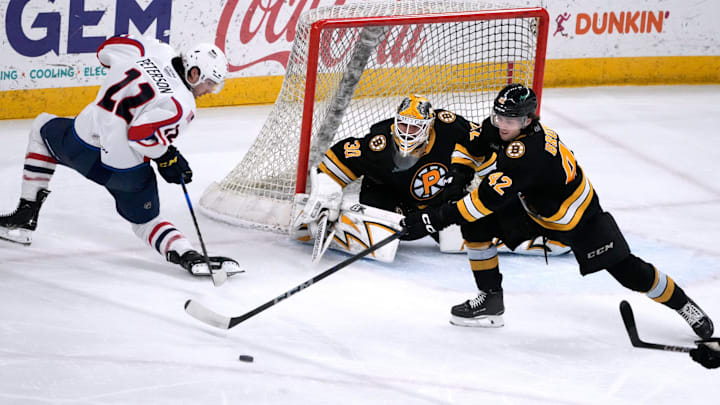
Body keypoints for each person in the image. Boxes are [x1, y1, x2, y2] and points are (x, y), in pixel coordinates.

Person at [401, 83, 714, 338]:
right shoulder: (503, 129)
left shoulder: (529, 153)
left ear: (527, 120)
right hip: (534, 207)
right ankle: (491, 300)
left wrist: (433, 218)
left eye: (509, 120)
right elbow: (472, 144)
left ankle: (684, 304)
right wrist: (459, 175)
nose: (501, 124)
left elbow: (485, 201)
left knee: (628, 271)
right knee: (476, 227)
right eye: (498, 117)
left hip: (578, 218)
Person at [0, 35, 239, 277]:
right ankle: (187, 254)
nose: (209, 90)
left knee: (43, 126)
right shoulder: (182, 105)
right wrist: (168, 157)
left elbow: (105, 51)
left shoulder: (152, 49)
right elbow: (140, 137)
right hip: (125, 175)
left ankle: (26, 213)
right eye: (209, 83)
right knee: (146, 222)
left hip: (79, 147)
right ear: (194, 73)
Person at [293, 94, 569, 261]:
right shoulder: (378, 143)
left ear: (430, 125)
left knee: (453, 239)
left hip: (440, 202)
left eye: (415, 127)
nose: (407, 132)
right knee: (383, 239)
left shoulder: (449, 127)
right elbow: (335, 161)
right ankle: (329, 224)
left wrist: (495, 183)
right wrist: (327, 192)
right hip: (389, 195)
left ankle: (540, 236)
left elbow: (483, 146)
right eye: (402, 124)